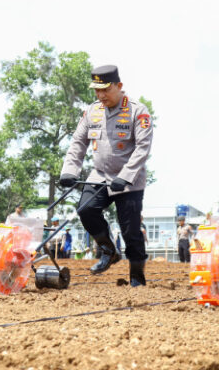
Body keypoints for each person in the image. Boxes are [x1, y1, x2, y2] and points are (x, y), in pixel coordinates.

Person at [59, 65, 154, 287]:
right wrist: (69, 171)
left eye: (105, 90)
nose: (101, 96)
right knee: (85, 210)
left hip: (129, 181)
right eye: (97, 91)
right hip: (99, 174)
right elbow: (78, 143)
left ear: (119, 86)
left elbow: (143, 148)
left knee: (130, 231)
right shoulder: (92, 111)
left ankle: (137, 277)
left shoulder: (138, 112)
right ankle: (108, 250)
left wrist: (127, 175)